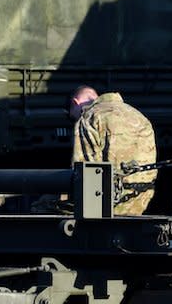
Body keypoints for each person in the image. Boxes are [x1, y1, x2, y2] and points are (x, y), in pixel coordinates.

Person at [68, 85, 158, 215]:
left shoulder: (89, 117)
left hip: (107, 208)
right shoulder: (140, 117)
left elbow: (82, 174)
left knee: (42, 205)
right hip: (140, 203)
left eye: (72, 116)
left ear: (75, 102)